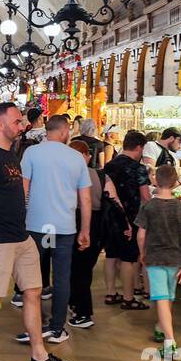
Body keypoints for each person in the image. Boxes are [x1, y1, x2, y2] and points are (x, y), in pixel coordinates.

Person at [0, 102, 77, 361]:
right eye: (17, 121)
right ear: (0, 124)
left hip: (21, 236)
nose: (22, 125)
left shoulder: (12, 154)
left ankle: (39, 355)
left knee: (33, 291)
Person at [18, 115, 92, 344]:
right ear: (64, 132)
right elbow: (86, 199)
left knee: (33, 276)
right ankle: (57, 327)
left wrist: (19, 220)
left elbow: (23, 190)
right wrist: (85, 230)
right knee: (61, 277)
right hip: (63, 227)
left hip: (38, 226)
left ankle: (34, 324)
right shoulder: (76, 158)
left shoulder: (32, 153)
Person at [135, 162, 181, 358]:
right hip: (175, 258)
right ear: (176, 182)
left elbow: (141, 235)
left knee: (161, 298)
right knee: (168, 297)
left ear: (155, 181)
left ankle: (170, 342)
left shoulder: (149, 206)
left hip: (155, 257)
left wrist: (141, 252)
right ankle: (161, 327)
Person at [102, 130, 151, 310]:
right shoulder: (138, 168)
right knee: (128, 258)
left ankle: (110, 292)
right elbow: (145, 196)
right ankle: (128, 298)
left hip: (109, 216)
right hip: (129, 218)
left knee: (111, 255)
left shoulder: (110, 166)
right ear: (139, 147)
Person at [67, 138, 104, 330]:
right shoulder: (99, 175)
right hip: (97, 227)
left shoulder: (67, 175)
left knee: (76, 269)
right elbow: (114, 200)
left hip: (75, 222)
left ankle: (82, 310)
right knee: (84, 269)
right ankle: (77, 305)